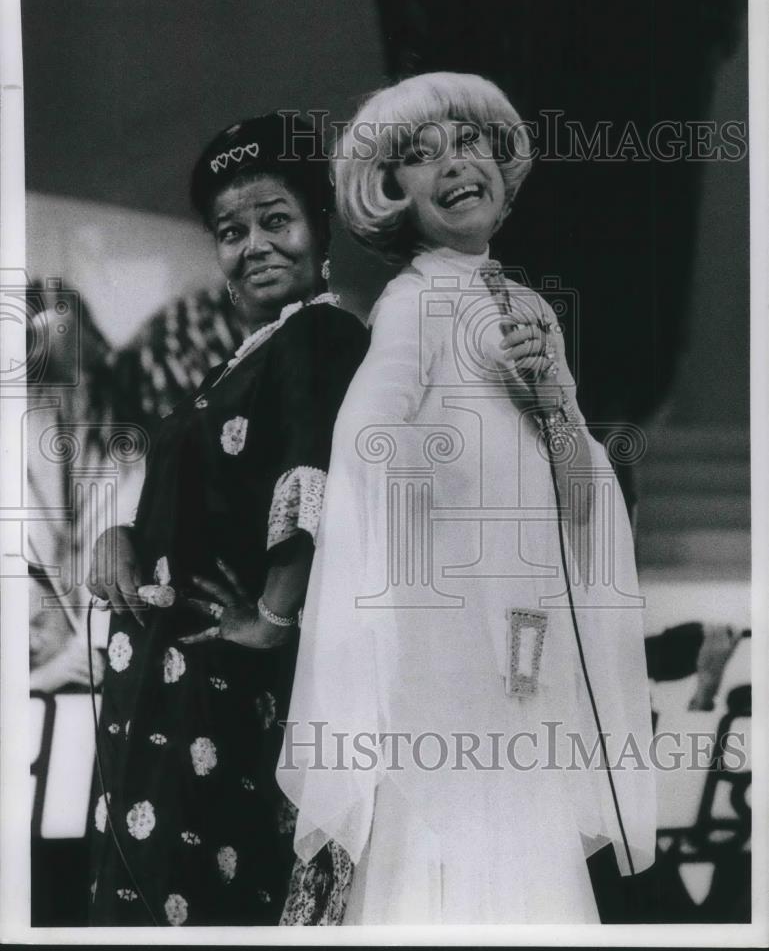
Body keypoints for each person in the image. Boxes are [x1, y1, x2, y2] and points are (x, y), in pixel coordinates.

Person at [277, 73, 657, 924]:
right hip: (445, 655)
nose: (453, 164)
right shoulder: (413, 305)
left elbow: (583, 508)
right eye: (418, 156)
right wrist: (444, 583)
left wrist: (554, 406)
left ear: (499, 160)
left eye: (467, 141)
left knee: (524, 843)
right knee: (456, 853)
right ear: (392, 195)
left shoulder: (528, 310)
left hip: (525, 638)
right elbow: (365, 449)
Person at [86, 113, 369, 926]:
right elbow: (192, 499)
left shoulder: (322, 332)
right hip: (164, 685)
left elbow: (311, 473)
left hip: (221, 685)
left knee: (201, 896)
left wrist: (274, 617)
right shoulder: (239, 361)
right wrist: (120, 537)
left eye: (275, 220)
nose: (254, 247)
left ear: (320, 231)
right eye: (231, 231)